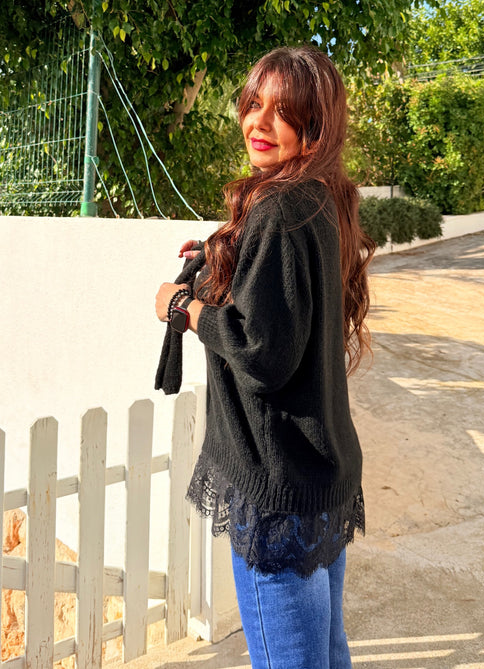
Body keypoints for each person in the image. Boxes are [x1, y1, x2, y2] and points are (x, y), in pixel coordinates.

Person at [155, 45, 375, 669]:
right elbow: (286, 293)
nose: (258, 123)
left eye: (282, 112)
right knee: (327, 654)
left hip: (280, 489)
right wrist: (224, 252)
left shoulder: (279, 208)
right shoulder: (323, 196)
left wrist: (183, 307)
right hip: (320, 476)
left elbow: (262, 353)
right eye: (253, 105)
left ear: (315, 125)